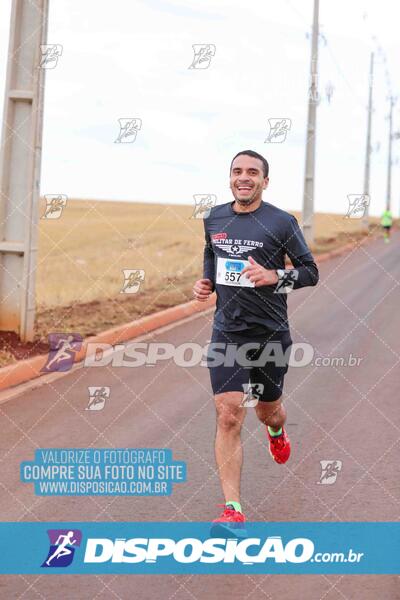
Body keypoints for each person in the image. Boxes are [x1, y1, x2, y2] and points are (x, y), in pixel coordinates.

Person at [192, 150, 319, 528]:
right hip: (227, 333)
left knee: (267, 410)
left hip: (270, 336)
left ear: (265, 180)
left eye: (252, 172)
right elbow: (210, 253)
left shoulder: (281, 222)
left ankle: (276, 432)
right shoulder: (214, 217)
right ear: (229, 177)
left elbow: (311, 272)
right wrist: (206, 282)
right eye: (237, 171)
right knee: (229, 414)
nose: (243, 177)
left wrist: (274, 277)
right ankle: (233, 509)